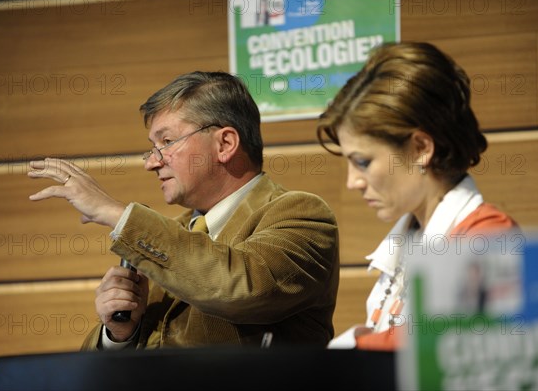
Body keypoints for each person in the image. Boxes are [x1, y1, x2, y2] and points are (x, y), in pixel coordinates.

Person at [28, 71, 340, 349]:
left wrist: (117, 214)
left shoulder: (302, 214)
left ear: (225, 144)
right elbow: (95, 377)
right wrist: (119, 335)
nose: (152, 162)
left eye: (166, 142)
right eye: (152, 147)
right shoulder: (165, 234)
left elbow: (243, 288)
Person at [316, 42, 519, 351]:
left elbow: (426, 351)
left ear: (421, 148)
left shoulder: (489, 236)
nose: (352, 182)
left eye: (363, 162)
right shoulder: (409, 237)